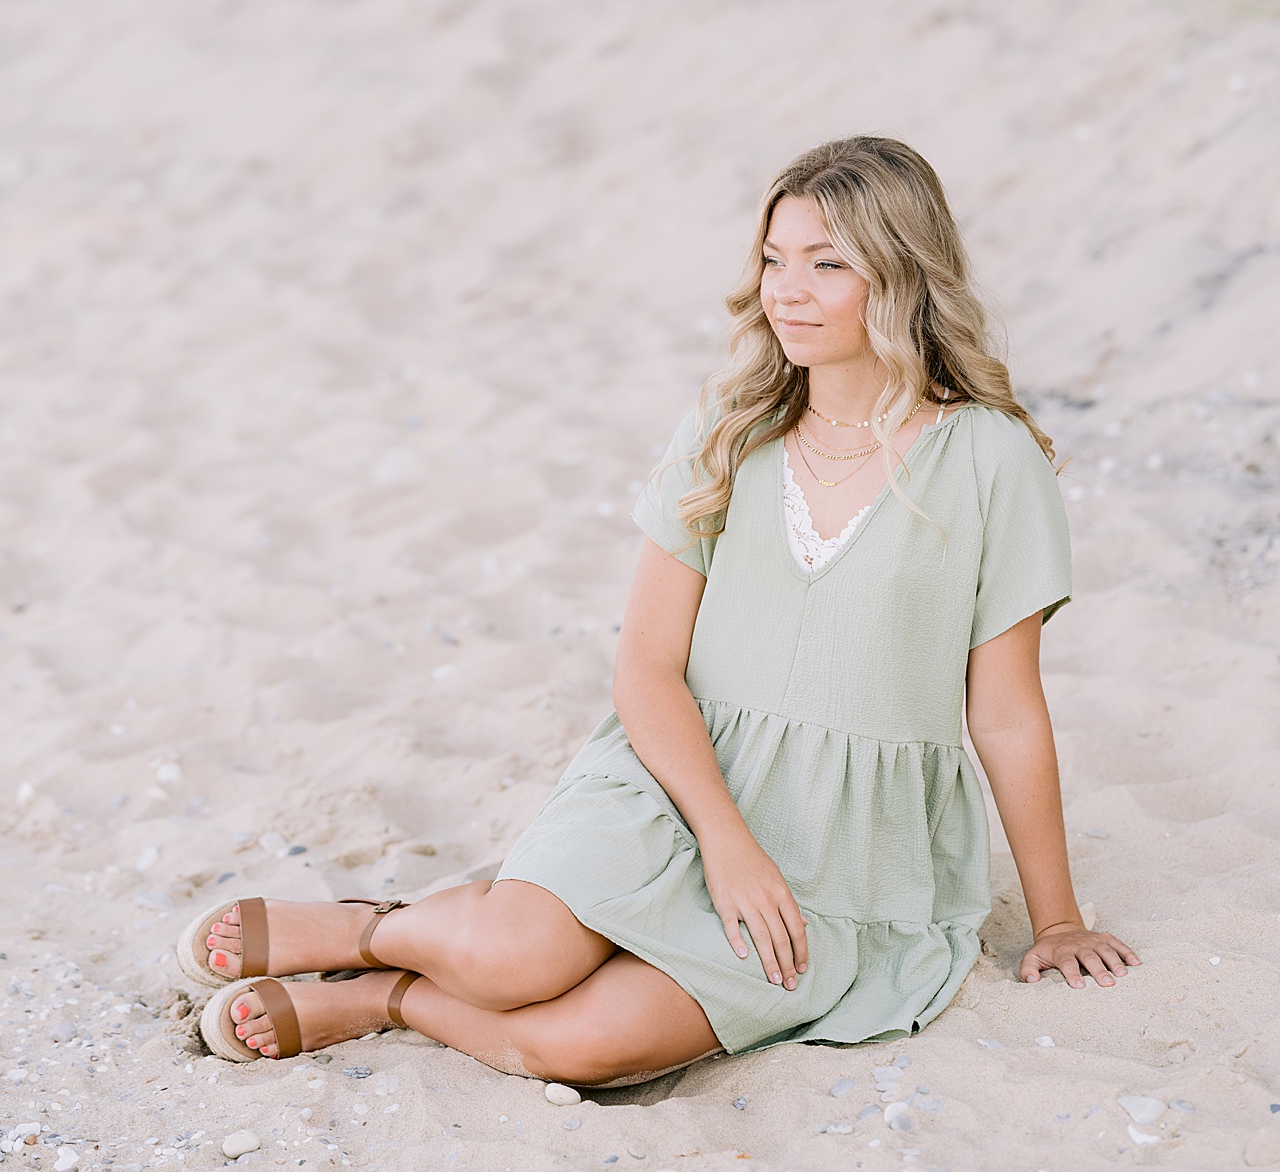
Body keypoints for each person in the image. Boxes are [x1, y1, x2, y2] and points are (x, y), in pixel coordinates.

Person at [180, 135, 1139, 1082]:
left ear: (902, 276)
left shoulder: (989, 460)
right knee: (519, 962)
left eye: (827, 263)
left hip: (845, 848)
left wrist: (1057, 919)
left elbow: (1006, 709)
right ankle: (372, 926)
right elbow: (645, 665)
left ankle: (385, 994)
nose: (786, 289)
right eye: (773, 259)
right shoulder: (731, 431)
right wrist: (726, 842)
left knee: (583, 1046)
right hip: (674, 780)